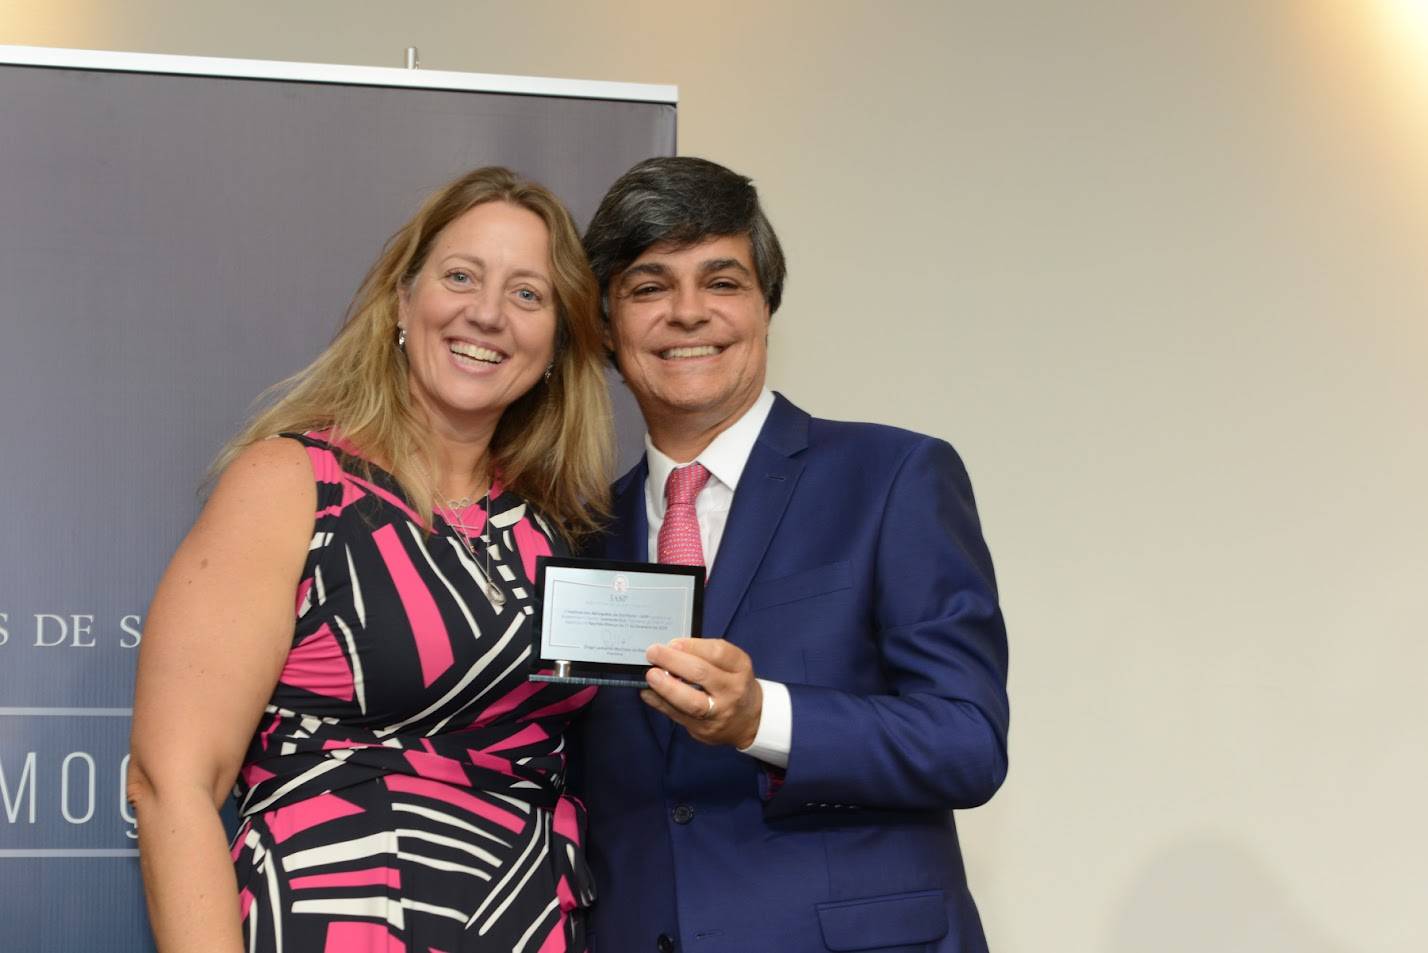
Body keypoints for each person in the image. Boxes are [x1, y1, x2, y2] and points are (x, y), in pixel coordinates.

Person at [127, 167, 612, 953]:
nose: (488, 313)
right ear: (401, 301)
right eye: (461, 277)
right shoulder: (291, 484)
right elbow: (170, 780)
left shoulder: (558, 530)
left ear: (557, 342)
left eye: (528, 294)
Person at [571, 156, 1010, 953]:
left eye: (722, 281)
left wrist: (762, 717)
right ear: (604, 324)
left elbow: (967, 740)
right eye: (649, 287)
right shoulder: (577, 536)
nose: (688, 312)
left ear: (766, 304)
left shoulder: (892, 477)